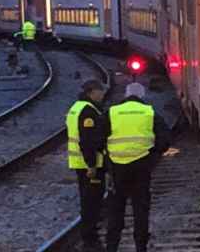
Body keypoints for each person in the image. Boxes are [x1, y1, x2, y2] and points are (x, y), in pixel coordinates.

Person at [104, 83, 171, 252]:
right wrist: (152, 155)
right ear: (142, 96)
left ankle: (112, 246)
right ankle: (140, 247)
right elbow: (164, 140)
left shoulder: (112, 112)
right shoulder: (149, 112)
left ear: (125, 95)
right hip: (141, 166)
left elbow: (97, 138)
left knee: (115, 208)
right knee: (140, 209)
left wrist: (107, 158)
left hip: (117, 168)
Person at [66, 80, 107, 252]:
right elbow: (88, 140)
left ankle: (89, 236)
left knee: (87, 200)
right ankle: (90, 240)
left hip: (79, 163)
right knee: (92, 202)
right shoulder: (88, 111)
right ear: (92, 92)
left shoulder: (76, 107)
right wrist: (91, 165)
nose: (102, 94)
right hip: (89, 165)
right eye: (100, 91)